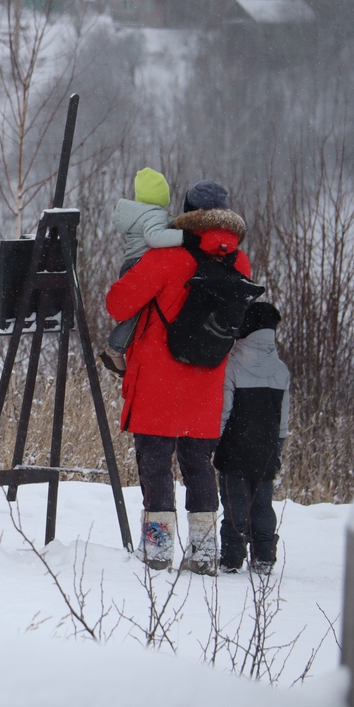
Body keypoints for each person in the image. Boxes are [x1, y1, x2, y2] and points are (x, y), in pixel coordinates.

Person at [105, 180, 250, 575]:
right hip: (205, 384)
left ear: (185, 213)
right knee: (200, 466)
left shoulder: (166, 258)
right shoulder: (239, 263)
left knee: (155, 466)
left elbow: (118, 303)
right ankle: (203, 554)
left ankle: (157, 551)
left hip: (157, 381)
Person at [215, 302, 290, 575]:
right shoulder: (281, 369)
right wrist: (278, 445)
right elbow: (283, 417)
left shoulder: (232, 364)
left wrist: (215, 440)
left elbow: (225, 409)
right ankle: (264, 556)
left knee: (235, 504)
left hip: (233, 447)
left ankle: (232, 558)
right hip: (266, 449)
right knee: (262, 504)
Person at [99, 167, 183, 376]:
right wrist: (185, 237)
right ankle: (114, 348)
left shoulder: (142, 214)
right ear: (162, 196)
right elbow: (154, 237)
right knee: (137, 313)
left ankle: (117, 349)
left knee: (137, 312)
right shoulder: (154, 215)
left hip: (131, 263)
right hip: (140, 264)